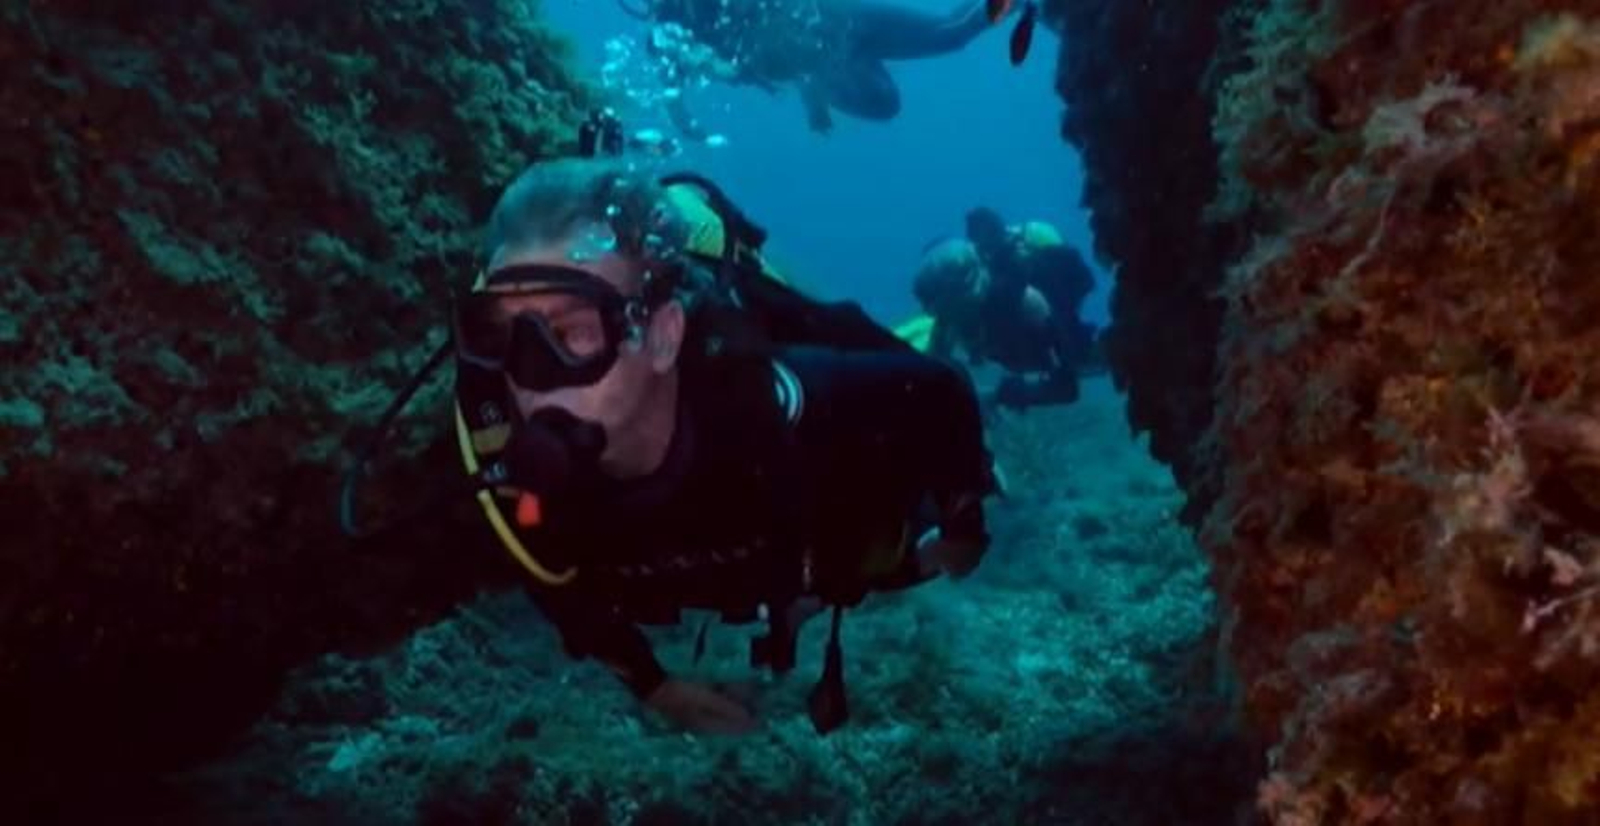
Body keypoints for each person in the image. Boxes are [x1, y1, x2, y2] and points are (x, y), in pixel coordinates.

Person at [379, 144, 1003, 736]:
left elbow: (939, 389)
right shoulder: (493, 433)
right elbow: (549, 577)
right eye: (501, 335)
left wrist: (962, 525)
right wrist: (654, 687)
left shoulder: (769, 400)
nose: (529, 376)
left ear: (663, 336)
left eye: (573, 333)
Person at [622, 0, 1010, 133]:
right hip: (827, 54)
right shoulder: (670, 30)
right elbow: (673, 92)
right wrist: (685, 123)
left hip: (842, 22)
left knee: (950, 34)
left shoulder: (677, 29)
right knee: (886, 103)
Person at [902, 207, 1097, 411]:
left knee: (1081, 350)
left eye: (954, 308)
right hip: (1010, 352)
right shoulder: (949, 313)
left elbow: (1067, 388)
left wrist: (997, 396)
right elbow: (936, 359)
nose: (949, 318)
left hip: (1042, 344)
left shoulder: (1024, 302)